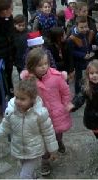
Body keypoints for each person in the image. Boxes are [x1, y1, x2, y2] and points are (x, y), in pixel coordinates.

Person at [0, 80, 58, 179]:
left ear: (32, 99)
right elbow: (3, 128)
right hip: (19, 149)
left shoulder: (40, 114)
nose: (18, 101)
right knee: (27, 171)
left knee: (24, 176)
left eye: (22, 99)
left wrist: (52, 150)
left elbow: (48, 133)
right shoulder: (11, 112)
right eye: (17, 97)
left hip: (34, 150)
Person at [21, 48, 72, 176]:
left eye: (46, 64)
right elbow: (25, 96)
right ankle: (45, 161)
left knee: (57, 134)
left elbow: (65, 92)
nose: (44, 67)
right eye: (40, 65)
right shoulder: (28, 80)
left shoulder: (57, 77)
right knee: (43, 140)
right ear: (32, 66)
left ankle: (59, 142)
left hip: (56, 113)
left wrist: (65, 104)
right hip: (39, 115)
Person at [71, 60, 98, 147]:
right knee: (97, 133)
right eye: (92, 73)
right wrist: (73, 104)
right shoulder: (87, 87)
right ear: (88, 75)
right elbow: (80, 96)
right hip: (92, 117)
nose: (94, 75)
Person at [66, 16, 95, 94]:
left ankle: (88, 91)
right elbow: (71, 51)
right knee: (79, 80)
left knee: (88, 77)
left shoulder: (88, 33)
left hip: (87, 61)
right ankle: (78, 94)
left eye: (86, 26)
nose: (84, 29)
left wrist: (91, 51)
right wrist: (82, 55)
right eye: (81, 27)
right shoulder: (72, 38)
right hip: (78, 63)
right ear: (76, 27)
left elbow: (89, 45)